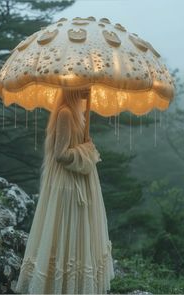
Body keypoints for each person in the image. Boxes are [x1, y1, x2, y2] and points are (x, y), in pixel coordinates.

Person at [14, 87, 115, 294]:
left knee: (79, 228)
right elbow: (60, 154)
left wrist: (85, 144)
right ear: (74, 87)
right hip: (68, 182)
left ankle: (76, 286)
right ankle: (59, 286)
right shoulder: (66, 113)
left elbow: (74, 145)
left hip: (80, 179)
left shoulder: (78, 113)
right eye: (84, 84)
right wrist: (85, 150)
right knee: (65, 227)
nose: (89, 88)